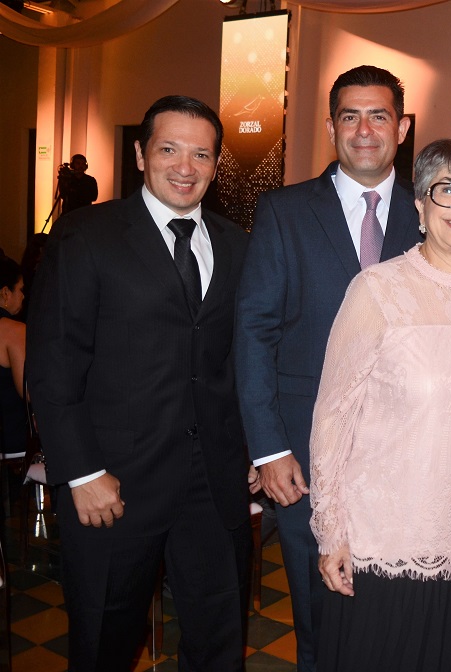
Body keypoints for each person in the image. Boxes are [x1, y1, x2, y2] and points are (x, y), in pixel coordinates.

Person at [26, 96, 252, 672]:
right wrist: (79, 470)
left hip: (213, 484)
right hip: (114, 481)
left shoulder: (236, 244)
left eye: (201, 154)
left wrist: (252, 446)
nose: (185, 166)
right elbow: (54, 366)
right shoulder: (87, 234)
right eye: (169, 149)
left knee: (218, 638)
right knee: (105, 639)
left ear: (216, 163)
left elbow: (241, 358)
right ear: (140, 153)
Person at [310, 138, 451, 671]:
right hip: (389, 543)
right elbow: (333, 416)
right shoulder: (376, 289)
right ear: (420, 205)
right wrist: (331, 530)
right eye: (448, 190)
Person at [235, 64, 422, 671]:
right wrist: (268, 449)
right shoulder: (283, 212)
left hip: (408, 460)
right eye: (350, 115)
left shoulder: (432, 215)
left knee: (398, 622)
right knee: (320, 625)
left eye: (379, 115)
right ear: (330, 126)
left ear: (402, 126)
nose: (364, 129)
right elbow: (255, 333)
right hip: (305, 462)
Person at [0, 256, 26, 457]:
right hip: (10, 445)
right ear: (5, 293)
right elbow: (27, 391)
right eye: (20, 290)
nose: (23, 296)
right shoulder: (14, 331)